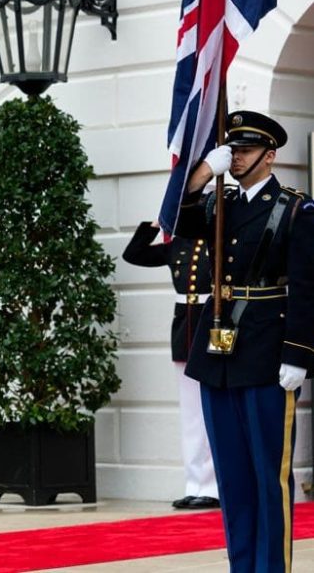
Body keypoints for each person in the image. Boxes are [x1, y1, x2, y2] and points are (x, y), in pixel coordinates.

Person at [175, 111, 314, 572]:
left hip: (266, 353)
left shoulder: (296, 208)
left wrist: (298, 353)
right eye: (231, 150)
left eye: (245, 150)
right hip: (219, 356)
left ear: (270, 155)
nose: (235, 158)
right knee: (232, 478)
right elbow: (175, 216)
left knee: (268, 477)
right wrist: (200, 175)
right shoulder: (219, 205)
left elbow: (307, 285)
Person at [121, 220, 219, 510]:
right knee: (191, 415)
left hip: (212, 326)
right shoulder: (176, 245)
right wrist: (155, 224)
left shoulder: (218, 241)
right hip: (185, 330)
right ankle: (194, 484)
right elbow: (133, 254)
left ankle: (214, 486)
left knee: (212, 410)